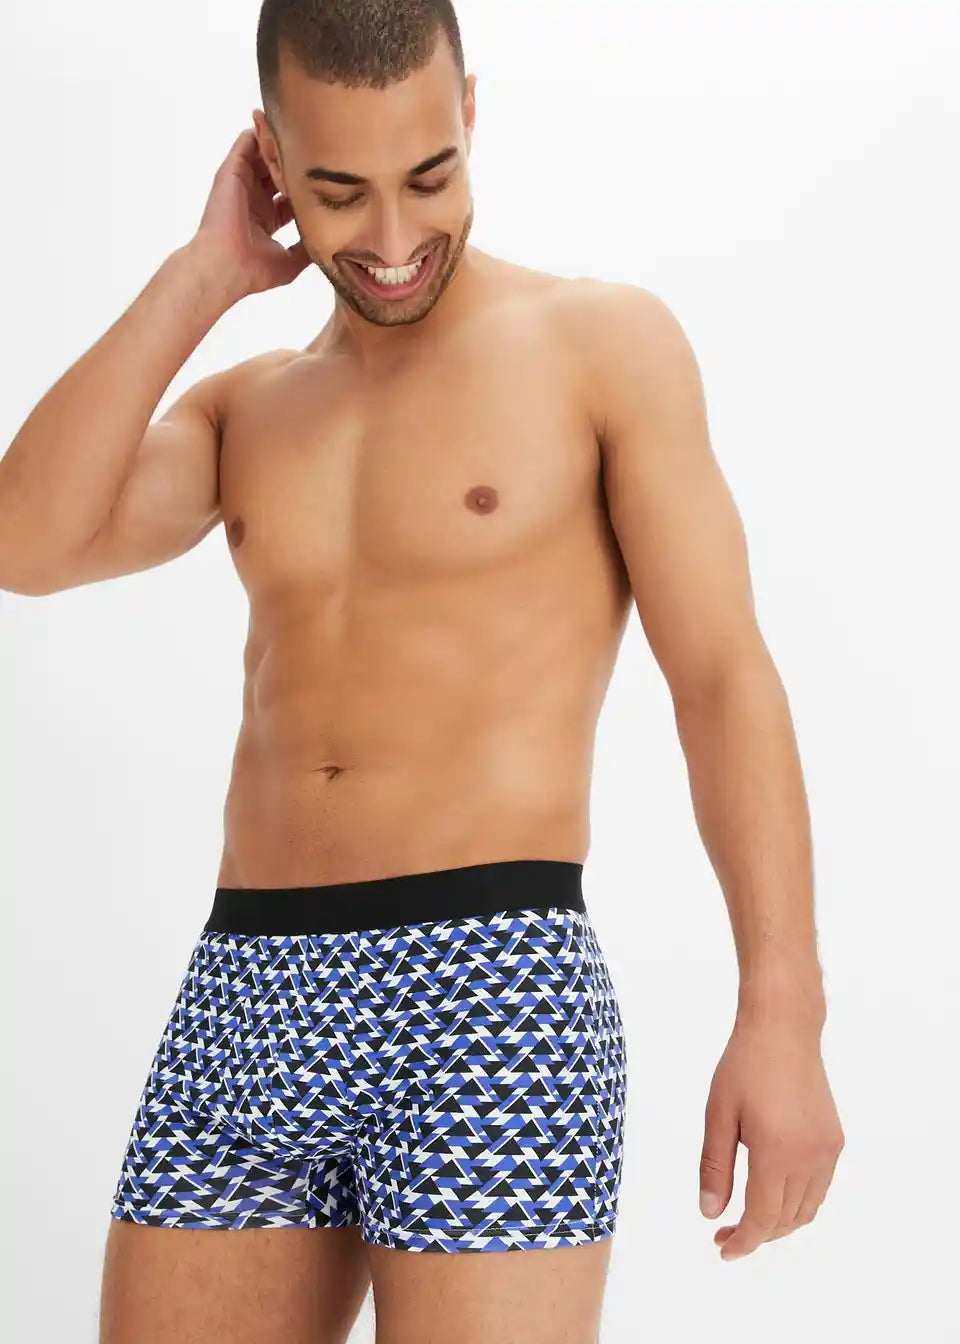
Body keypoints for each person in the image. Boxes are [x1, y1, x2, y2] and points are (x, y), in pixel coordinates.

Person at [0, 2, 844, 1341]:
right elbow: (25, 543)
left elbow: (723, 678)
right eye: (338, 192)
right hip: (246, 989)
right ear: (271, 159)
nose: (393, 239)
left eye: (429, 177)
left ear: (471, 117)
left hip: (491, 984)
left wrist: (783, 1014)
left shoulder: (600, 346)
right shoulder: (247, 408)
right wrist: (203, 275)